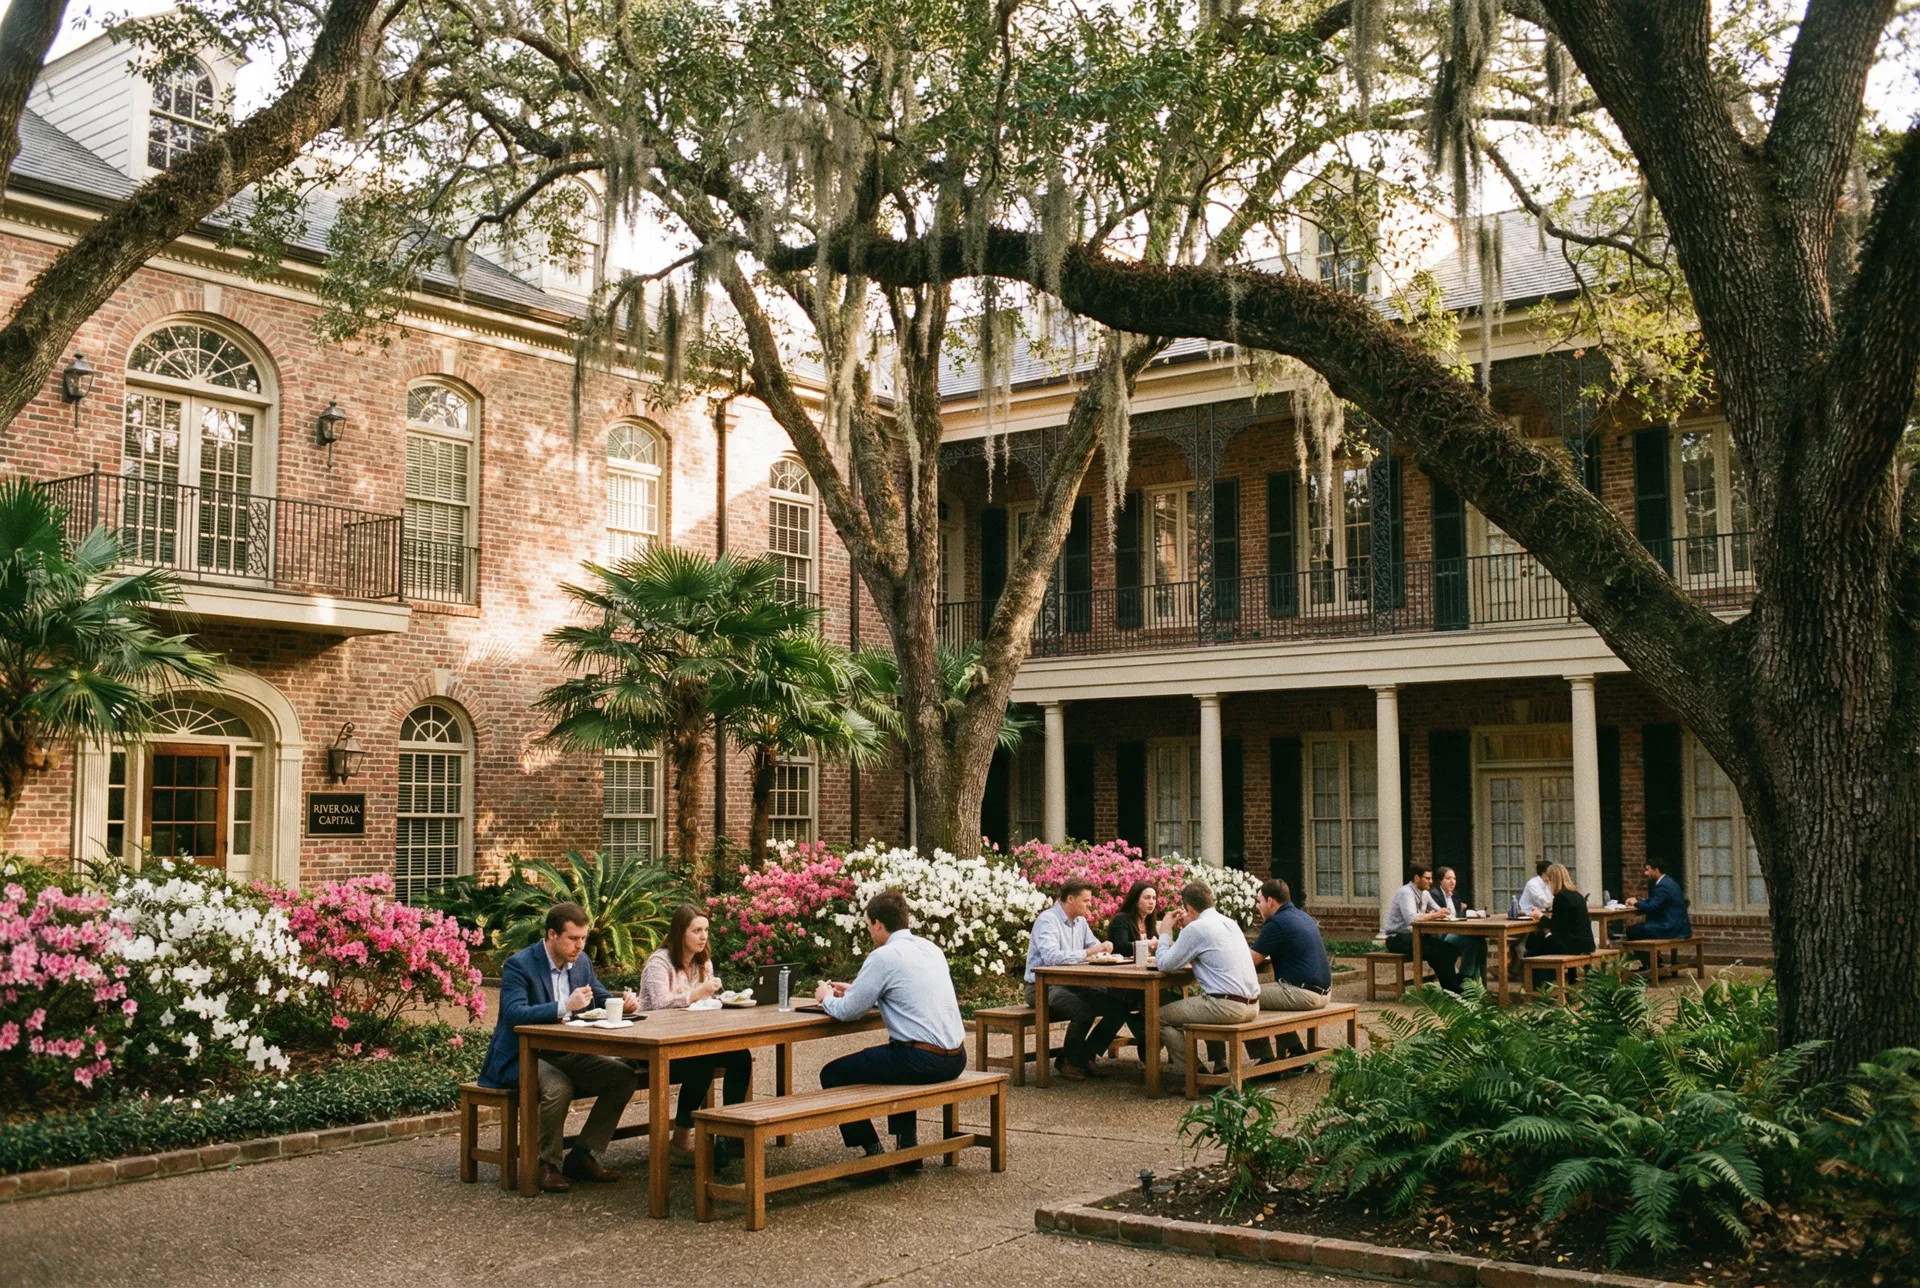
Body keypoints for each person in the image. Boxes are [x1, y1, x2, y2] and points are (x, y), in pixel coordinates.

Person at [478, 902, 639, 1193]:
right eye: (573, 939)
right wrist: (564, 1006)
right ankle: (546, 1165)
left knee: (623, 1076)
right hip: (524, 1055)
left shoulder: (582, 963)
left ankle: (582, 1155)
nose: (580, 946)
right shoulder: (520, 965)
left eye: (583, 938)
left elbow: (599, 995)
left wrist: (622, 1003)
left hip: (567, 1051)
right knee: (558, 1087)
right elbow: (514, 1014)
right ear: (552, 935)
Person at [816, 890, 967, 1176]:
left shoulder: (883, 956)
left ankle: (872, 1154)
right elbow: (909, 993)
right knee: (897, 1052)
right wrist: (859, 991)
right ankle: (907, 1146)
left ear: (877, 924)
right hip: (956, 1058)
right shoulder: (930, 948)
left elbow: (847, 1012)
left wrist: (825, 997)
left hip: (922, 1060)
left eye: (869, 926)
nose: (870, 932)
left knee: (833, 1074)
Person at [639, 904, 752, 1165]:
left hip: (692, 1039)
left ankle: (731, 1133)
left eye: (706, 931)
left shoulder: (703, 963)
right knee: (700, 1063)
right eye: (696, 931)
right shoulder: (659, 963)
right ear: (680, 933)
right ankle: (680, 1140)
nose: (703, 937)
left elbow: (705, 1005)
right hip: (652, 1044)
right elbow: (658, 1004)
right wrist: (696, 994)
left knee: (740, 1056)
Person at [1154, 881, 1261, 1083]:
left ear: (1189, 908)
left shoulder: (1197, 929)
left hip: (1227, 1007)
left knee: (1158, 1017)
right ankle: (1208, 1067)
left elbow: (1164, 965)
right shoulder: (1230, 923)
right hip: (1252, 1005)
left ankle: (1193, 1073)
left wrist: (1165, 931)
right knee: (1198, 1001)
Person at [1024, 878, 1132, 1079]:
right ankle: (1068, 1061)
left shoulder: (1080, 922)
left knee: (1118, 1007)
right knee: (1083, 1012)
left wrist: (1106, 951)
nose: (1089, 906)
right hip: (1041, 987)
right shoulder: (1047, 920)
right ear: (1070, 899)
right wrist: (1090, 951)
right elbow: (1051, 957)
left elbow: (1094, 946)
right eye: (1086, 901)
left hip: (1072, 984)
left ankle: (1084, 1055)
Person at [1245, 878, 1331, 1063]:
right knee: (1274, 995)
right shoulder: (1302, 916)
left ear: (1270, 901)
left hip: (1304, 993)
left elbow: (1248, 962)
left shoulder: (1276, 923)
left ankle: (1265, 1058)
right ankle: (1296, 1050)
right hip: (1323, 992)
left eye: (1259, 901)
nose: (1257, 906)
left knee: (1245, 997)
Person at [1383, 863, 1461, 991]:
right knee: (1440, 951)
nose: (1431, 881)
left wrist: (1442, 912)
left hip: (1415, 937)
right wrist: (1434, 915)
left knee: (1450, 949)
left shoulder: (1424, 893)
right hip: (1398, 939)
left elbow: (1440, 910)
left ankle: (1452, 986)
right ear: (1417, 878)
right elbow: (1411, 919)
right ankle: (1452, 988)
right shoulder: (1406, 893)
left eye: (1431, 878)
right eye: (1427, 878)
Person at [1524, 862, 1595, 989]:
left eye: (1549, 881)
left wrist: (1540, 916)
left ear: (1553, 880)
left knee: (1531, 947)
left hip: (1570, 943)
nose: (1548, 885)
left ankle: (1539, 988)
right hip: (1585, 942)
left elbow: (1555, 927)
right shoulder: (1577, 895)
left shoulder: (1561, 897)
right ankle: (1547, 984)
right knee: (1538, 942)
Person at [1623, 860, 1692, 968]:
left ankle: (1651, 965)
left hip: (1671, 927)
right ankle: (1654, 961)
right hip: (1678, 925)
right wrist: (1638, 902)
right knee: (1642, 928)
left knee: (1632, 930)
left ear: (1656, 870)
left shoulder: (1663, 886)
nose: (1646, 873)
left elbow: (1653, 906)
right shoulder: (1667, 882)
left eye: (1648, 869)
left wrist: (1636, 903)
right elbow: (1655, 902)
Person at [1432, 866, 1486, 981]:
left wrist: (1472, 914)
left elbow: (1458, 916)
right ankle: (1466, 977)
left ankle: (1473, 984)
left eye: (1454, 878)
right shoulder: (1434, 895)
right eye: (1448, 878)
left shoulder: (1455, 895)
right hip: (1442, 935)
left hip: (1456, 932)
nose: (1452, 881)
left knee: (1479, 941)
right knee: (1472, 942)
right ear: (1440, 881)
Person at [1106, 881, 1159, 960]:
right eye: (1147, 898)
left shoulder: (1149, 921)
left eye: (1154, 898)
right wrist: (1147, 944)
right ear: (1136, 899)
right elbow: (1121, 948)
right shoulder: (1121, 919)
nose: (1151, 902)